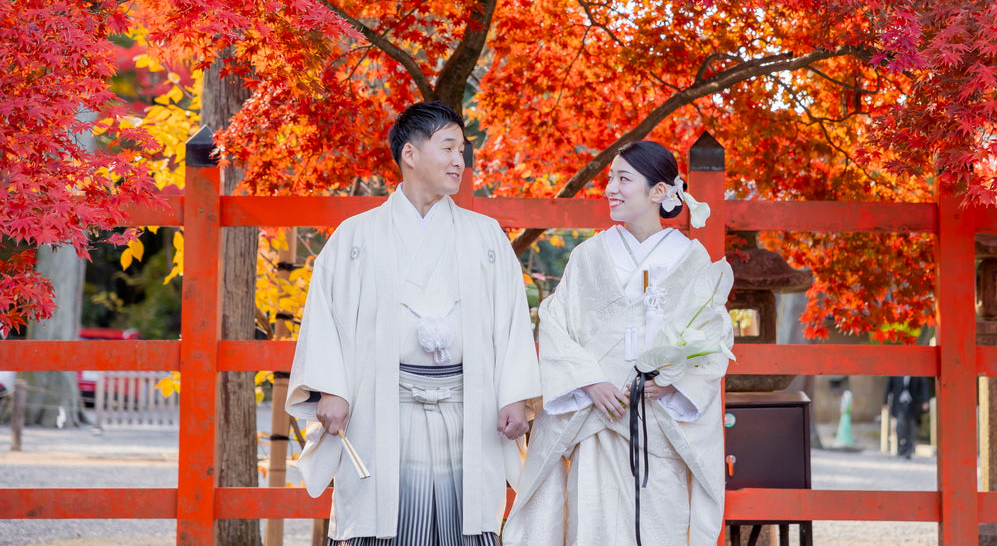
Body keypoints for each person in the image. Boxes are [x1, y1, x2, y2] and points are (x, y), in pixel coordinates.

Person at [286, 101, 540, 546]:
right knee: (378, 520)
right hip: (382, 407)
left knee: (466, 522)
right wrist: (331, 388)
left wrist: (515, 396)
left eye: (462, 150)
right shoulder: (356, 236)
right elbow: (326, 317)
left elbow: (512, 323)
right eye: (448, 148)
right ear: (410, 154)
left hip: (468, 409)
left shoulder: (486, 237)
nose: (460, 160)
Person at [503, 141, 734, 546]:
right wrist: (590, 381)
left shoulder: (692, 259)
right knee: (592, 525)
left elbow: (714, 338)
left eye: (623, 179)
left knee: (661, 527)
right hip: (597, 424)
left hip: (661, 425)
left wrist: (675, 381)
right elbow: (556, 325)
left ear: (659, 192)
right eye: (610, 178)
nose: (610, 187)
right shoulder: (589, 256)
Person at [884, 375, 929, 459]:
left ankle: (909, 450)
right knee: (900, 425)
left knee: (911, 427)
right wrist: (885, 402)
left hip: (913, 404)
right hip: (899, 403)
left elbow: (923, 387)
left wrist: (925, 401)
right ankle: (900, 448)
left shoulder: (917, 373)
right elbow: (888, 387)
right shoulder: (895, 372)